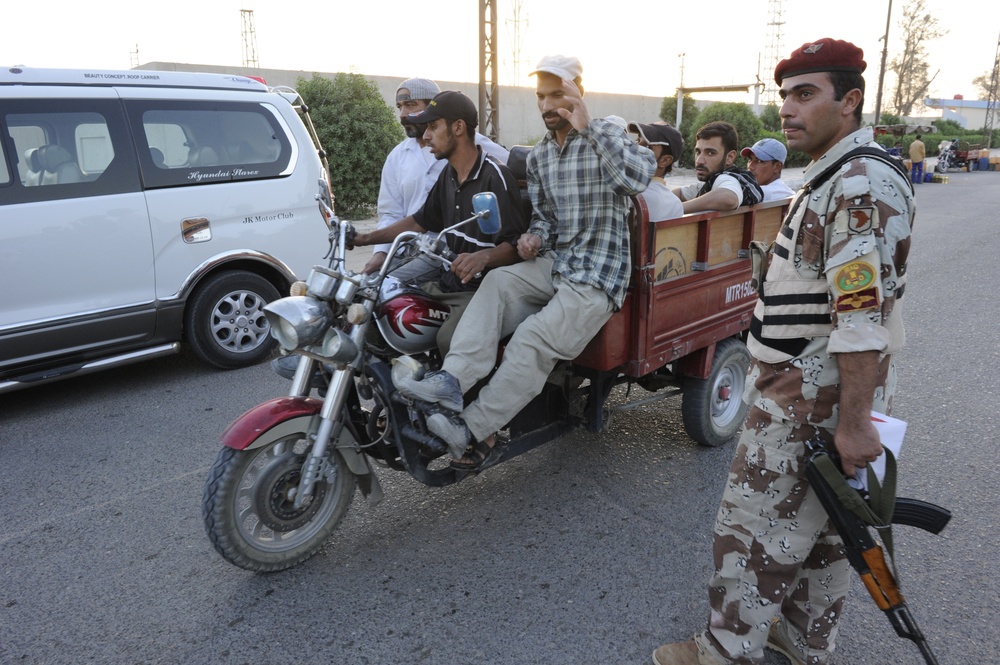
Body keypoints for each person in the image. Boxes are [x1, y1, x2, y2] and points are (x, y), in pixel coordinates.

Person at [652, 37, 916, 665]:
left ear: (849, 101)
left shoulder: (855, 184)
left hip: (811, 390)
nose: (787, 110)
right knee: (823, 526)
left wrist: (851, 422)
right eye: (784, 96)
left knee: (750, 525)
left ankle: (723, 651)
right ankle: (801, 638)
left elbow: (860, 317)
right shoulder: (836, 175)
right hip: (816, 382)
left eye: (806, 94)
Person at [394, 54, 656, 468]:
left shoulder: (607, 132)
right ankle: (451, 381)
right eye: (541, 96)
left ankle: (471, 429)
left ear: (579, 92)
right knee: (499, 283)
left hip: (598, 276)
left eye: (558, 95)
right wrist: (536, 236)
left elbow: (636, 180)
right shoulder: (540, 158)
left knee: (532, 339)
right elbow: (547, 217)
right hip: (558, 264)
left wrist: (588, 127)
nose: (548, 105)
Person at [352, 90, 527, 356]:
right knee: (386, 311)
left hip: (481, 290)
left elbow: (516, 246)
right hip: (449, 281)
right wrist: (364, 238)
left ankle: (459, 394)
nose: (426, 135)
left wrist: (484, 257)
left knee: (447, 339)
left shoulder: (495, 177)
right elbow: (420, 222)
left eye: (434, 127)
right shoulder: (449, 174)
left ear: (457, 128)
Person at [366, 78, 510, 275]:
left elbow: (513, 169)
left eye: (411, 105)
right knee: (363, 286)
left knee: (385, 287)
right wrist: (380, 252)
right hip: (405, 247)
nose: (403, 114)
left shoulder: (467, 145)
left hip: (445, 252)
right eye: (399, 106)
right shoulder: (397, 157)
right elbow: (392, 212)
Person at [673, 121, 763, 213]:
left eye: (710, 153)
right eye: (698, 152)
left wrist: (675, 209)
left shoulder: (726, 179)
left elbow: (729, 199)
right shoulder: (715, 182)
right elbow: (680, 193)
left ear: (729, 157)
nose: (699, 161)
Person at [628, 121, 685, 220]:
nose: (636, 148)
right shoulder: (675, 204)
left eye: (647, 147)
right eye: (637, 141)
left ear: (665, 160)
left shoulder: (628, 192)